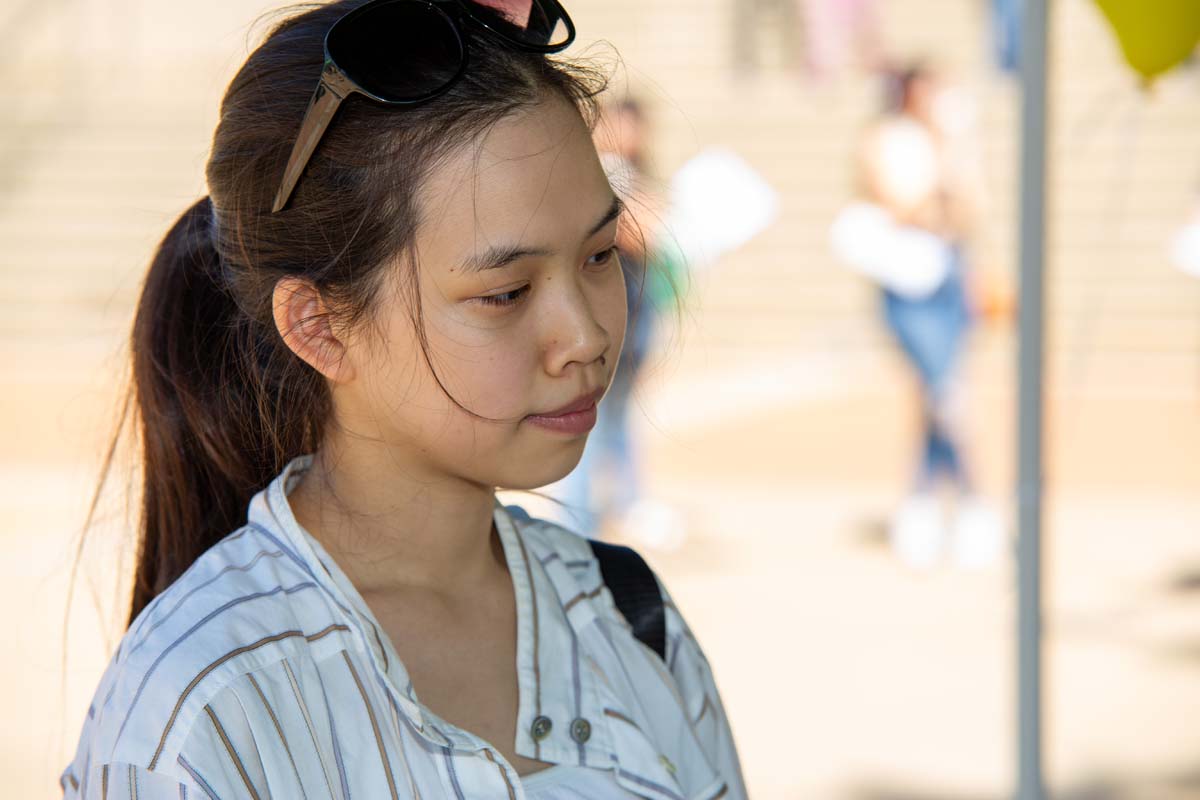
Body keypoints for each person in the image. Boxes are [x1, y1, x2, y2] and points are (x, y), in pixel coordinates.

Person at [59, 1, 747, 797]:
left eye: (598, 254)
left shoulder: (630, 618)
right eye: (506, 291)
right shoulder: (203, 706)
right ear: (320, 327)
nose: (586, 334)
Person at [836, 62, 1003, 568]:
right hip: (908, 281)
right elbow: (900, 201)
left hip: (949, 273)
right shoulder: (885, 138)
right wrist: (938, 189)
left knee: (940, 396)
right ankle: (967, 500)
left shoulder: (950, 142)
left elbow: (971, 211)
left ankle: (927, 504)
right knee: (944, 394)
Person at [545, 98, 688, 550]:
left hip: (636, 309)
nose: (627, 134)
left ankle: (624, 504)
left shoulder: (631, 174)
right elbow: (634, 236)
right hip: (607, 315)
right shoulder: (598, 175)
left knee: (620, 415)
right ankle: (580, 515)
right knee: (589, 416)